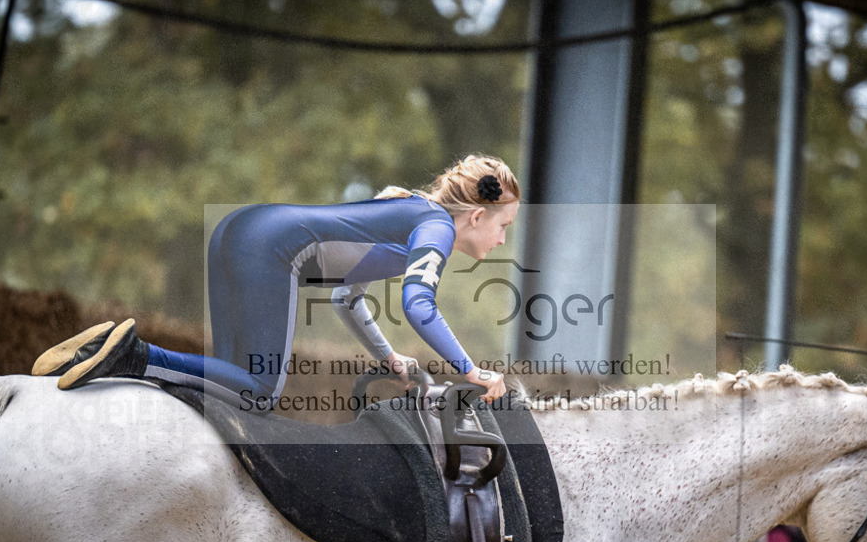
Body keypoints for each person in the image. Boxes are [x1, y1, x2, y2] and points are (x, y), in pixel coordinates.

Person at [32, 154, 518, 407]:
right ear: (476, 216)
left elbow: (346, 298)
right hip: (270, 247)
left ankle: (90, 353)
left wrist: (386, 356)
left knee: (227, 389)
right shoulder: (434, 226)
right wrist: (471, 371)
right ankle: (132, 355)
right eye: (503, 227)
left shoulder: (411, 210)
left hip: (238, 229)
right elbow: (420, 307)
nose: (501, 240)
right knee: (261, 392)